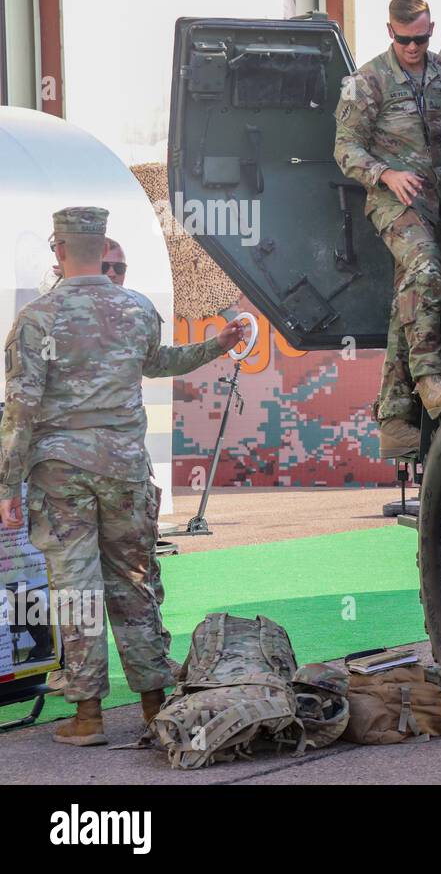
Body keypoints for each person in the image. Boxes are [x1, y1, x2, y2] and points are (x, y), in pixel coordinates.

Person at [0, 207, 248, 746]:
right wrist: (217, 346)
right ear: (98, 251)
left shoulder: (37, 319)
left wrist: (6, 485)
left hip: (61, 472)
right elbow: (160, 362)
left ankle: (88, 715)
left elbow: (19, 409)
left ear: (59, 250)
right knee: (135, 583)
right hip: (126, 469)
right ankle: (153, 703)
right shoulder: (136, 309)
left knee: (76, 589)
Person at [334, 0, 441, 459]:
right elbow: (345, 149)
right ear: (389, 31)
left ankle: (394, 421)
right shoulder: (367, 81)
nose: (412, 48)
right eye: (403, 39)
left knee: (411, 299)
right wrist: (386, 174)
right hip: (393, 202)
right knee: (427, 267)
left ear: (431, 31)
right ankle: (430, 380)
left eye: (420, 38)